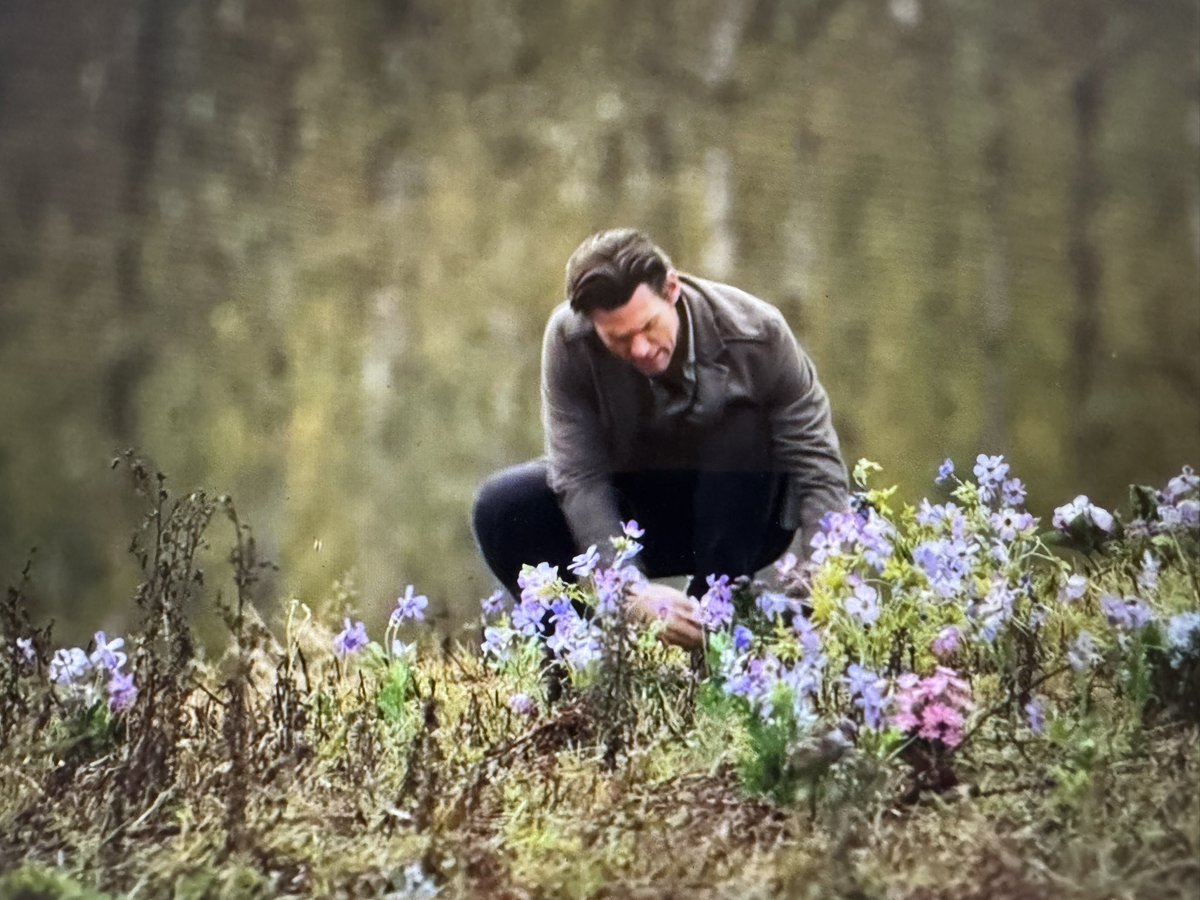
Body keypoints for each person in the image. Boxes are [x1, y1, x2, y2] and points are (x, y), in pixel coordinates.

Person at [472, 228, 849, 650]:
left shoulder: (757, 333)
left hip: (742, 508)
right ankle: (583, 660)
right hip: (634, 514)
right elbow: (579, 477)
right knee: (502, 507)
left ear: (672, 289)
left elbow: (817, 465)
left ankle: (713, 633)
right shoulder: (568, 341)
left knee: (742, 427)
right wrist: (628, 593)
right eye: (618, 338)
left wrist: (823, 584)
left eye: (648, 327)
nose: (641, 349)